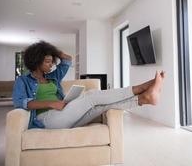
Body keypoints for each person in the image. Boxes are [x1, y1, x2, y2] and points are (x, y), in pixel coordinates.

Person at [12, 41, 165, 129]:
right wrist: (51, 103)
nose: (51, 64)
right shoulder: (23, 81)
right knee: (91, 96)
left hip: (64, 115)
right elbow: (21, 102)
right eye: (47, 61)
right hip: (46, 119)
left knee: (100, 107)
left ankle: (144, 99)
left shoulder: (53, 77)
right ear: (35, 61)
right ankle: (141, 87)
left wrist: (50, 50)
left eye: (52, 61)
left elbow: (67, 60)